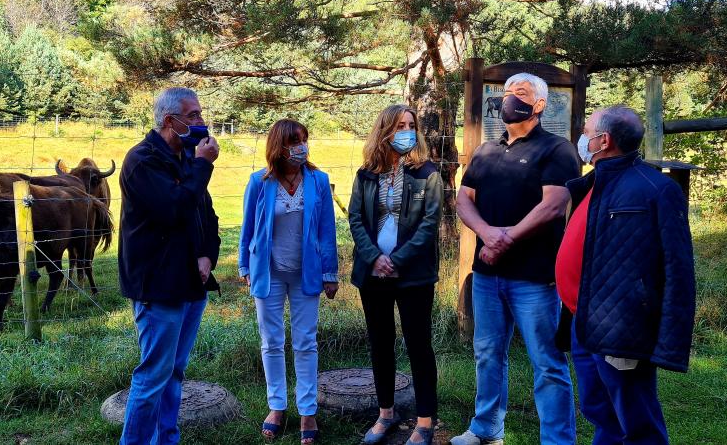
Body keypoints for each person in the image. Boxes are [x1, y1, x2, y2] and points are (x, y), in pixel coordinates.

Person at [453, 73, 579, 445]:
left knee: (547, 363)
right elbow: (463, 200)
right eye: (507, 93)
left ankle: (557, 440)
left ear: (540, 105)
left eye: (521, 94)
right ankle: (487, 429)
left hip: (534, 278)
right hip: (487, 276)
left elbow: (554, 204)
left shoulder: (558, 150)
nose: (511, 100)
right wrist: (489, 234)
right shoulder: (486, 151)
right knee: (488, 354)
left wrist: (506, 237)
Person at [556, 106, 695, 444]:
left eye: (586, 130)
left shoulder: (656, 189)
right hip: (582, 321)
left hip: (622, 328)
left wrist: (669, 345)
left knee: (636, 419)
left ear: (603, 141)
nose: (582, 137)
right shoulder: (593, 183)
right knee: (599, 410)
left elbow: (679, 271)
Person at [117, 87, 221, 445]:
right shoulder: (142, 161)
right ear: (169, 121)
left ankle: (167, 440)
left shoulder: (186, 157)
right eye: (192, 116)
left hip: (191, 283)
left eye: (200, 114)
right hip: (158, 285)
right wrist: (204, 165)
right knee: (153, 375)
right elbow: (173, 208)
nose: (200, 122)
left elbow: (205, 213)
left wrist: (208, 254)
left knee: (174, 372)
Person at [238, 119, 340, 445]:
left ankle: (307, 410)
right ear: (278, 146)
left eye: (304, 140)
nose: (301, 147)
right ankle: (277, 406)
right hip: (268, 272)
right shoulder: (259, 182)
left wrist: (330, 273)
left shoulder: (318, 180)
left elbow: (327, 231)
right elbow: (248, 229)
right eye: (295, 141)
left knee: (306, 341)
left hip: (305, 274)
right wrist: (244, 265)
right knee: (271, 341)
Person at [349, 104, 443, 445]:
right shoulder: (366, 174)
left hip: (413, 274)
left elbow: (430, 223)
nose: (407, 130)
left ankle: (425, 420)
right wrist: (375, 257)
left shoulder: (427, 173)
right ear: (384, 129)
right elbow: (356, 219)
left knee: (418, 344)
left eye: (411, 125)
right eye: (400, 125)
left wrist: (397, 259)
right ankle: (385, 413)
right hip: (372, 274)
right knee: (380, 344)